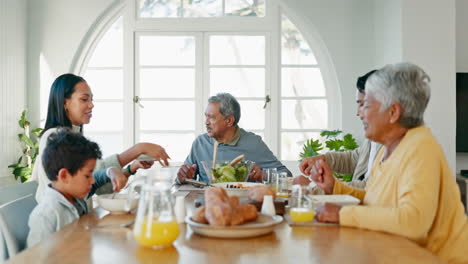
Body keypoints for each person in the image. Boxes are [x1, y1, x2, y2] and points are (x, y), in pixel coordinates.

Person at [308, 63, 467, 264]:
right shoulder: (387, 148)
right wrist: (334, 187)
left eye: (366, 105)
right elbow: (376, 200)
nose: (361, 113)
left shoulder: (421, 148)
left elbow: (413, 222)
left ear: (393, 112)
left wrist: (343, 213)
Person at [32, 73, 171, 202]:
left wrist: (131, 169)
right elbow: (96, 175)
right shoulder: (53, 138)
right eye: (84, 99)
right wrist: (138, 149)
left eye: (91, 99)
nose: (91, 105)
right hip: (65, 226)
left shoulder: (74, 137)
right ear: (65, 103)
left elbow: (100, 186)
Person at [27, 130, 129, 247]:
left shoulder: (74, 195)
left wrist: (110, 171)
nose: (92, 180)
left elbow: (97, 180)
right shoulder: (45, 216)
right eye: (87, 175)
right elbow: (34, 257)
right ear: (64, 176)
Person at [177, 93, 291, 184]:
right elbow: (182, 179)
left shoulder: (253, 143)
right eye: (206, 116)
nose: (206, 122)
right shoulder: (200, 143)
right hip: (208, 205)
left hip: (241, 205)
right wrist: (183, 176)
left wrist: (262, 176)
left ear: (229, 121)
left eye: (211, 117)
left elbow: (286, 176)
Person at [296, 70, 382, 190]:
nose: (358, 113)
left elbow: (370, 189)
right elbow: (355, 159)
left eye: (363, 105)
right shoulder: (375, 138)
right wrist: (321, 160)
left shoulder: (394, 147)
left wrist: (314, 187)